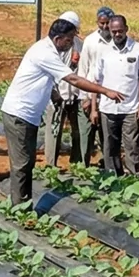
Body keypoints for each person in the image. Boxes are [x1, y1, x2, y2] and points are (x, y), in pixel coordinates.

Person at [0, 18, 128, 207]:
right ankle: (19, 208)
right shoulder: (45, 53)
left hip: (28, 115)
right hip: (19, 114)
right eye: (68, 40)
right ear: (58, 38)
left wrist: (55, 96)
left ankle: (23, 203)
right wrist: (105, 91)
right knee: (22, 163)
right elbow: (73, 80)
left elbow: (43, 78)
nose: (70, 44)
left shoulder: (48, 49)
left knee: (27, 162)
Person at [92, 12, 139, 175]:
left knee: (132, 146)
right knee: (110, 147)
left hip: (130, 108)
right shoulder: (103, 50)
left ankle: (134, 178)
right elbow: (96, 80)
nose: (117, 34)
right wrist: (94, 108)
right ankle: (112, 178)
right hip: (107, 108)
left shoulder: (138, 49)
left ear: (126, 29)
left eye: (120, 31)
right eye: (114, 31)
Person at [45, 10, 86, 166]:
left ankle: (76, 164)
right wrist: (54, 93)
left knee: (78, 131)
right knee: (54, 131)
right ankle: (51, 165)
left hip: (75, 95)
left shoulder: (80, 46)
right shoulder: (51, 47)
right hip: (56, 95)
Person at [77, 7, 116, 167]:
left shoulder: (117, 41)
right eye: (102, 23)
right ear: (97, 22)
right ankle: (83, 167)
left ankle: (107, 166)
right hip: (89, 93)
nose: (105, 26)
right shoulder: (90, 41)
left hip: (109, 97)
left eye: (108, 23)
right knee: (86, 134)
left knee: (107, 136)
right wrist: (83, 97)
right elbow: (83, 68)